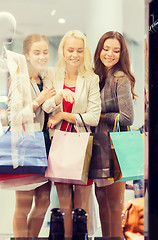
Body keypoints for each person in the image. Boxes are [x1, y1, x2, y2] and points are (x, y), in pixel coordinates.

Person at [42, 30, 101, 238]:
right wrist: (58, 97)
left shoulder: (91, 78)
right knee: (64, 205)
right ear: (63, 51)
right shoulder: (52, 75)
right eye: (70, 50)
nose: (74, 54)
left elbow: (94, 117)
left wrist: (64, 115)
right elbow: (47, 108)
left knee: (81, 208)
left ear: (84, 52)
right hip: (59, 145)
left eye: (79, 50)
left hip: (83, 145)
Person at [93, 31, 136, 239]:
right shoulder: (96, 76)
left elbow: (128, 118)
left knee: (113, 207)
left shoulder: (121, 78)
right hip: (98, 147)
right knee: (102, 204)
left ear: (122, 53)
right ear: (99, 49)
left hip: (115, 148)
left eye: (116, 50)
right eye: (106, 48)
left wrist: (98, 116)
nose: (110, 54)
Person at [13, 34, 56, 238]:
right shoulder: (19, 80)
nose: (42, 56)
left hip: (46, 145)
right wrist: (37, 101)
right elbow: (15, 118)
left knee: (43, 202)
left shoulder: (46, 78)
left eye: (45, 52)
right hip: (26, 147)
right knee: (23, 203)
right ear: (27, 55)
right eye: (37, 53)